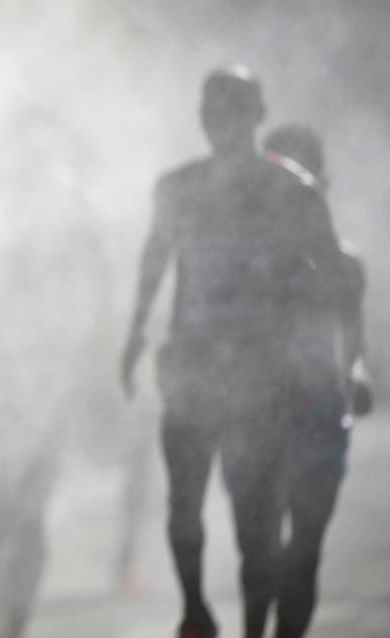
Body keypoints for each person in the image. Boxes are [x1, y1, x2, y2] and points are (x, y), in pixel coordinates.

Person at [121, 67, 343, 638]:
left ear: (256, 115)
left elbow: (327, 276)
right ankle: (195, 608)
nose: (222, 122)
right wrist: (136, 333)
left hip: (259, 373)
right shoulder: (178, 187)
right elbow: (153, 261)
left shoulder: (292, 190)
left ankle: (252, 626)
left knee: (255, 524)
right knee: (184, 505)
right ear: (202, 117)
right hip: (192, 367)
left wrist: (308, 345)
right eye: (213, 110)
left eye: (234, 109)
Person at [263, 124, 372, 638]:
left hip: (320, 414)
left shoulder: (346, 265)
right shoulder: (250, 265)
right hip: (260, 412)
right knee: (260, 543)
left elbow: (353, 344)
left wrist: (356, 374)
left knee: (304, 547)